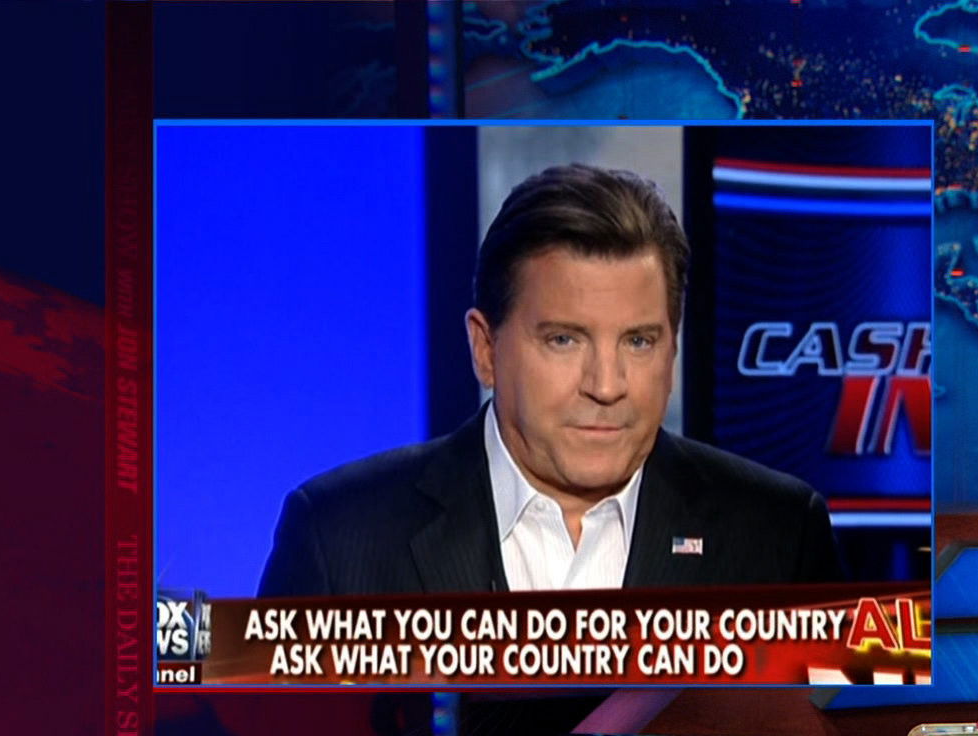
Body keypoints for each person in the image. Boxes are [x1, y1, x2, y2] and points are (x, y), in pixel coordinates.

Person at [258, 164, 842, 597]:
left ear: (673, 346)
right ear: (485, 349)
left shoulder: (780, 536)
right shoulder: (339, 536)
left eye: (638, 341)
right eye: (564, 340)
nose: (607, 386)